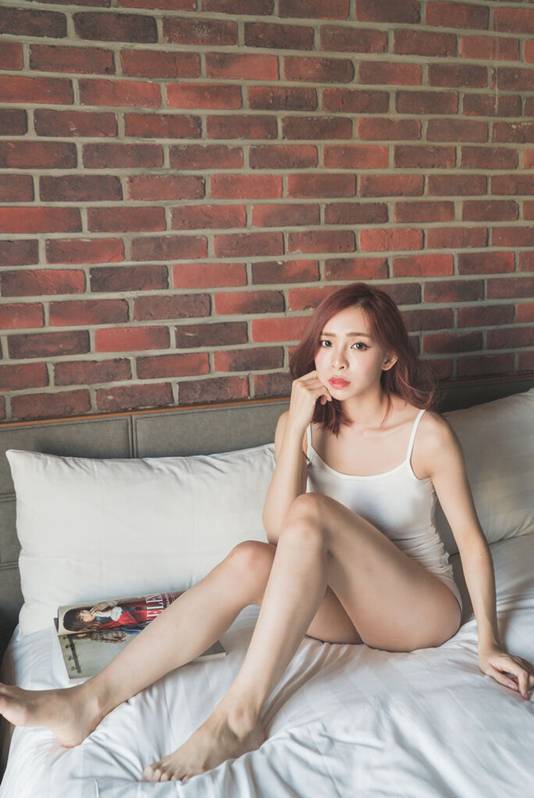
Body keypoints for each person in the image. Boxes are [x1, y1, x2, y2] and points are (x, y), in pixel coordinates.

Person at [1, 281, 533, 784]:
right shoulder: (300, 425)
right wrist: (297, 425)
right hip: (350, 614)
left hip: (419, 611)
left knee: (312, 511)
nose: (337, 361)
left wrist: (487, 641)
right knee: (251, 558)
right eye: (326, 343)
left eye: (358, 345)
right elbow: (282, 533)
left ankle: (238, 717)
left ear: (389, 357)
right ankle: (87, 701)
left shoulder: (425, 432)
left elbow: (470, 543)